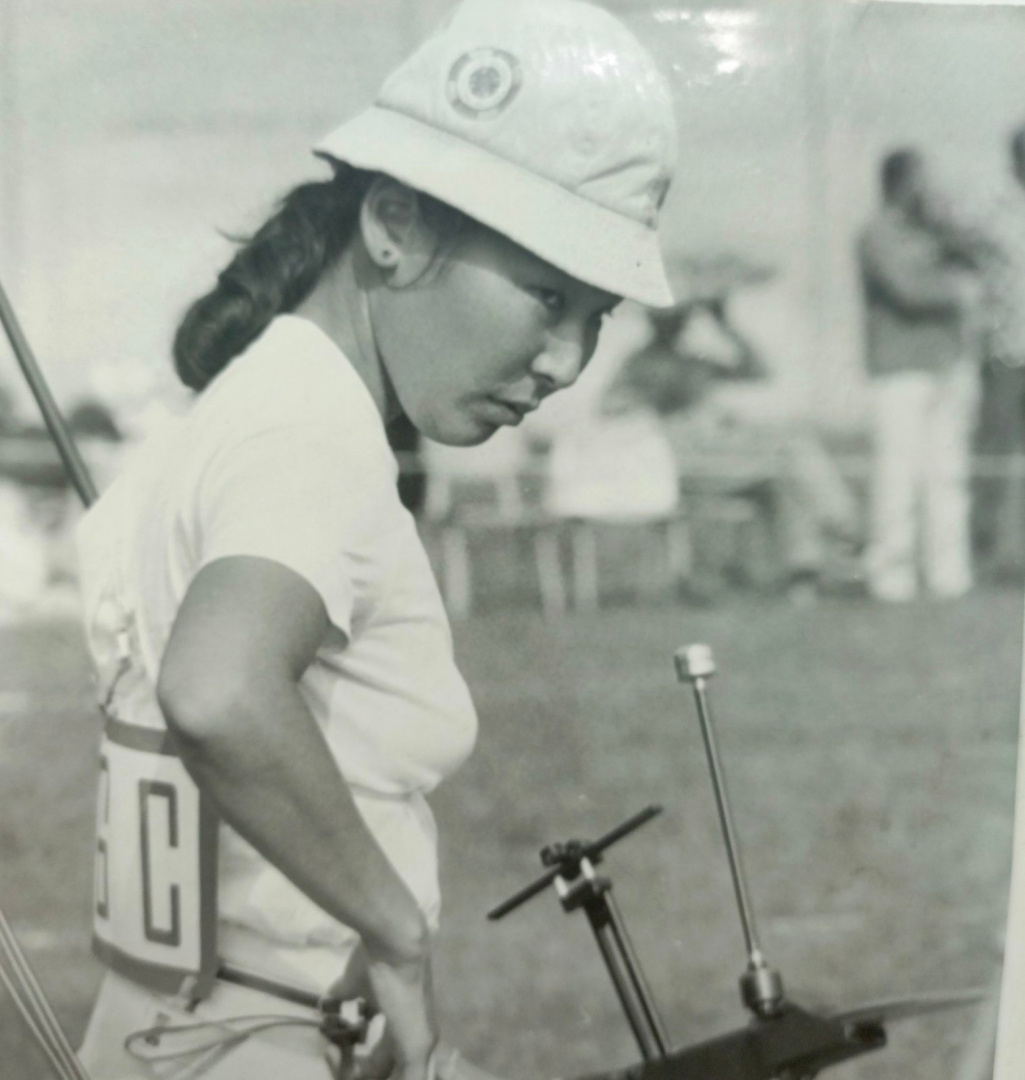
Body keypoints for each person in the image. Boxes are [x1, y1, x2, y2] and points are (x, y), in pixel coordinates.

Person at [72, 2, 678, 1078]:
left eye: (597, 317)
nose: (564, 362)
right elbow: (217, 690)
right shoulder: (311, 433)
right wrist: (394, 932)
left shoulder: (246, 405)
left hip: (162, 1031)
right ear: (393, 224)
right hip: (258, 1043)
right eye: (546, 296)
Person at [603, 293, 860, 602]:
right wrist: (656, 402)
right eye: (671, 319)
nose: (677, 325)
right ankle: (845, 525)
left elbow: (757, 369)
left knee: (783, 480)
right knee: (791, 451)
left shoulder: (692, 361)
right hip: (682, 465)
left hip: (713, 460)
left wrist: (726, 325)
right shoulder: (642, 362)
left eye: (682, 318)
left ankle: (804, 574)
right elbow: (609, 406)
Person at [858, 148, 986, 603]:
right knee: (898, 473)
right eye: (922, 180)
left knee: (948, 475)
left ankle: (949, 574)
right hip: (900, 370)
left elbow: (981, 260)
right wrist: (959, 293)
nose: (929, 188)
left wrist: (949, 228)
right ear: (900, 183)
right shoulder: (877, 234)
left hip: (947, 364)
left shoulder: (939, 232)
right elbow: (907, 291)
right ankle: (891, 576)